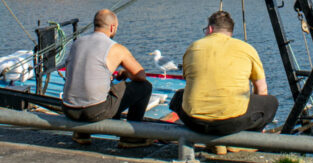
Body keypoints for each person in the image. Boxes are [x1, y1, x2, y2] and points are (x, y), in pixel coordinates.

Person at [170, 10, 278, 138]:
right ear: (230, 32)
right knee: (271, 102)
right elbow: (261, 90)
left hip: (195, 122)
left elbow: (190, 82)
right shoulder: (247, 48)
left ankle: (201, 140)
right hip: (231, 123)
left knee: (178, 96)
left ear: (210, 29)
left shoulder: (194, 47)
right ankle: (245, 142)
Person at [61, 9, 154, 148]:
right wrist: (126, 74)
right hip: (93, 111)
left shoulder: (78, 42)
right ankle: (131, 137)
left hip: (68, 109)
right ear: (112, 27)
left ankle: (82, 133)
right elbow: (140, 75)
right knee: (145, 87)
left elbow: (71, 72)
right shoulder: (115, 48)